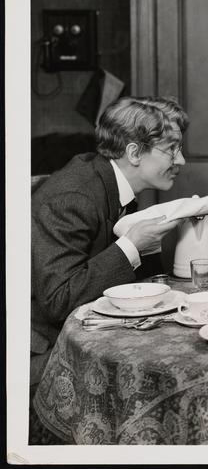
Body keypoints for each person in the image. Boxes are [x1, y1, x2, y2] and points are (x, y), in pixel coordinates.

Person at [31, 95, 190, 385]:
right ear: (134, 153)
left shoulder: (113, 183)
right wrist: (131, 246)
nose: (181, 160)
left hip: (89, 327)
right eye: (171, 149)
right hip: (44, 348)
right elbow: (57, 301)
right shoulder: (74, 197)